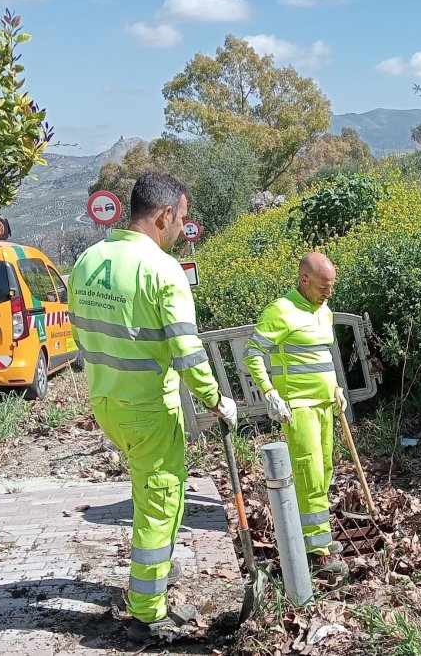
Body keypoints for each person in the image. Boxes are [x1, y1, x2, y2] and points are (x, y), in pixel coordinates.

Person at [68, 171, 237, 638]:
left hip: (107, 400)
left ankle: (158, 573)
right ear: (163, 216)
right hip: (147, 407)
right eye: (182, 219)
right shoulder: (162, 270)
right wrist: (217, 400)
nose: (184, 228)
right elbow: (187, 350)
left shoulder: (88, 260)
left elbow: (80, 334)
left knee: (160, 489)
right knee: (160, 499)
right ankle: (147, 608)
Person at [242, 252, 349, 578]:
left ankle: (318, 536)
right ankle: (317, 552)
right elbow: (253, 353)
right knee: (310, 473)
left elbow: (321, 357)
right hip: (299, 407)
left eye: (330, 287)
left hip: (325, 405)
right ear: (304, 280)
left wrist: (337, 388)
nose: (327, 293)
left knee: (325, 468)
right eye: (322, 287)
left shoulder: (324, 311)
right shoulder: (281, 311)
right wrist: (270, 393)